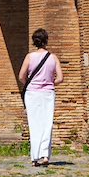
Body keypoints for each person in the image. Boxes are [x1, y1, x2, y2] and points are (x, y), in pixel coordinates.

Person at [18, 28, 63, 167]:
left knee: (34, 124)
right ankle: (45, 155)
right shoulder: (53, 57)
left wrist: (31, 84)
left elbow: (21, 77)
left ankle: (34, 157)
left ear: (34, 42)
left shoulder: (29, 57)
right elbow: (60, 78)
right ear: (46, 41)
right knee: (47, 123)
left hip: (32, 93)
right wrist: (49, 83)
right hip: (48, 93)